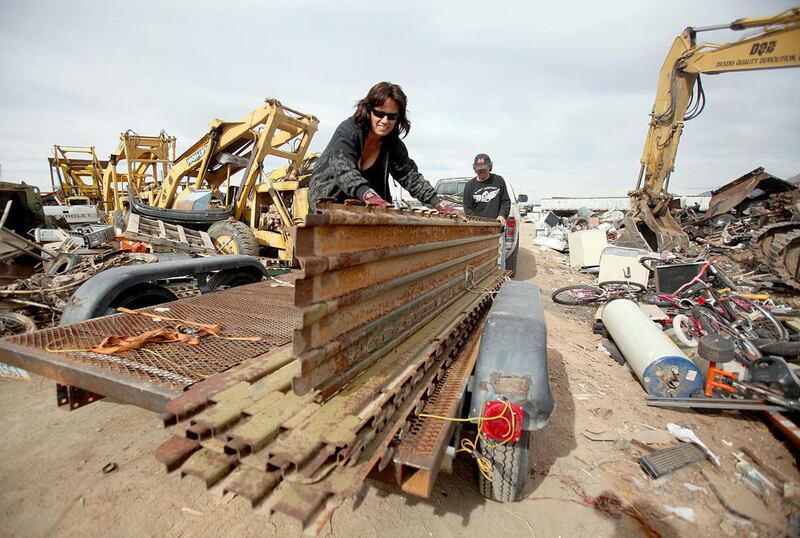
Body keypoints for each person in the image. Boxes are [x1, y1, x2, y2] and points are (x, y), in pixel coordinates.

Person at [309, 81, 457, 214]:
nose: (385, 121)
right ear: (369, 110)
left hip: (366, 210)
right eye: (379, 113)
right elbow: (343, 169)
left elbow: (410, 176)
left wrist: (439, 204)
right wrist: (369, 196)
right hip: (328, 204)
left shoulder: (393, 144)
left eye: (392, 116)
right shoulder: (348, 131)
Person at [462, 153, 511, 226]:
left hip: (496, 226)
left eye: (484, 168)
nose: (482, 171)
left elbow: (505, 202)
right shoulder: (469, 185)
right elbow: (468, 208)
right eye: (479, 169)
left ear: (489, 167)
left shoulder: (498, 180)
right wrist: (478, 222)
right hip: (477, 227)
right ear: (475, 169)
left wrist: (502, 215)